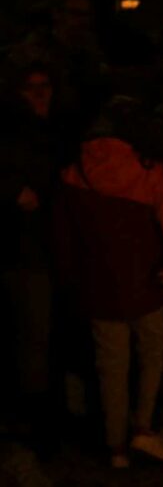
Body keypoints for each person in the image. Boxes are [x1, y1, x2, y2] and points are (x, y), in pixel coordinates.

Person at [52, 97, 163, 469]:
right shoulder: (148, 169)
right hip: (144, 282)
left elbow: (63, 238)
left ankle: (116, 447)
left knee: (111, 367)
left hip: (98, 286)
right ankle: (143, 427)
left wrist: (72, 283)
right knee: (154, 351)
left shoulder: (75, 171)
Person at [0, 47, 64, 453]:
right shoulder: (14, 135)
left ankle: (35, 418)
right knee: (30, 336)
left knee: (37, 337)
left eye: (46, 88)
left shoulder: (53, 132)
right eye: (32, 89)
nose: (40, 96)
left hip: (43, 247)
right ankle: (32, 422)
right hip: (21, 249)